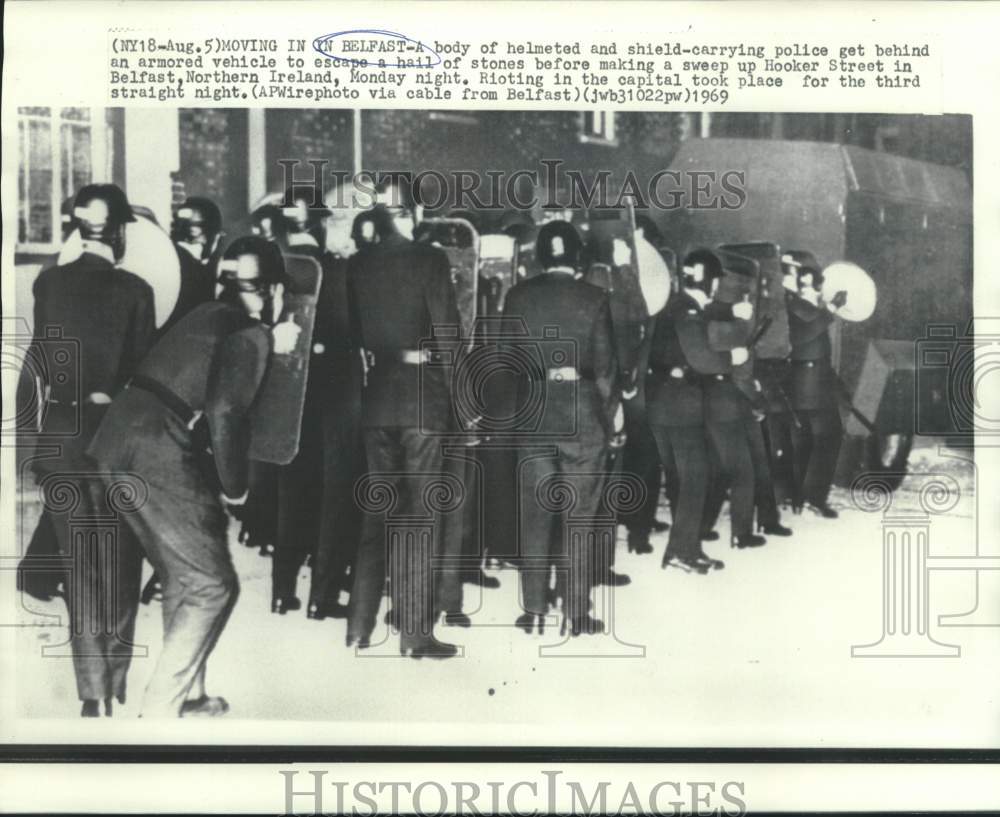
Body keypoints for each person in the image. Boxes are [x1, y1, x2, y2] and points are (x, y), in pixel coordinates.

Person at [87, 236, 301, 717]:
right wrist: (237, 489)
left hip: (114, 440)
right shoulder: (250, 333)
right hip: (155, 449)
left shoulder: (203, 314)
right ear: (270, 290)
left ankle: (193, 695)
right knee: (212, 584)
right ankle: (159, 713)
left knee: (182, 574)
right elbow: (226, 412)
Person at [29, 184, 157, 716]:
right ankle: (116, 678)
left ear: (78, 228)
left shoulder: (49, 283)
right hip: (113, 435)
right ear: (122, 232)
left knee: (79, 566)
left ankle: (91, 694)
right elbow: (143, 374)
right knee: (121, 560)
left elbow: (37, 362)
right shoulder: (135, 289)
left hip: (59, 434)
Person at [346, 197, 463, 659]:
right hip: (421, 400)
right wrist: (464, 403)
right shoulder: (430, 259)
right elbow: (449, 334)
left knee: (378, 514)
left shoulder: (358, 263)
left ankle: (358, 627)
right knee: (419, 518)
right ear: (412, 215)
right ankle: (415, 636)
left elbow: (356, 335)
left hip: (377, 399)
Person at [501, 220, 619, 636]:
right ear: (578, 257)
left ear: (540, 257)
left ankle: (533, 610)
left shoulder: (517, 297)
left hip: (532, 411)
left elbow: (503, 360)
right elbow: (604, 368)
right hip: (581, 412)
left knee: (534, 515)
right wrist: (610, 417)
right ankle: (576, 612)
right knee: (580, 516)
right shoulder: (595, 298)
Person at [783, 250, 845, 518]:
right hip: (808, 381)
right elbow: (805, 332)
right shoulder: (792, 302)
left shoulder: (798, 300)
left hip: (813, 378)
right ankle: (812, 498)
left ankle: (800, 497)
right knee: (827, 437)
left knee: (806, 440)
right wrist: (830, 308)